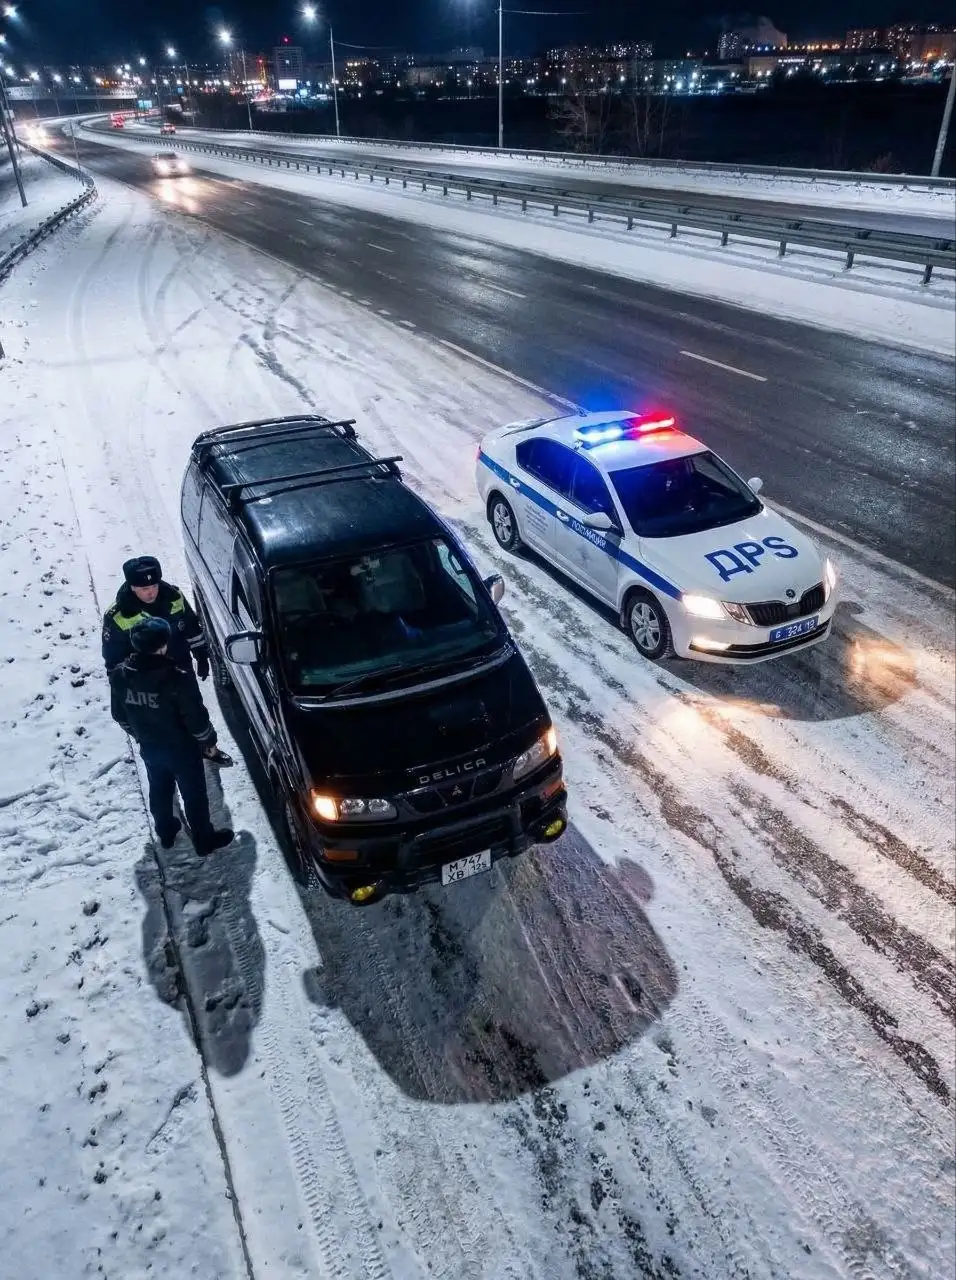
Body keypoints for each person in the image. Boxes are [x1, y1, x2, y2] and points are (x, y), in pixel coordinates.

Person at [109, 617, 233, 856]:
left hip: (149, 747)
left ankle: (166, 831)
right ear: (163, 645)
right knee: (193, 794)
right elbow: (195, 718)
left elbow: (119, 715)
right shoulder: (177, 677)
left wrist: (140, 734)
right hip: (181, 748)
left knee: (159, 789)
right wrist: (208, 741)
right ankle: (204, 839)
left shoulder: (119, 676)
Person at [102, 555, 231, 765]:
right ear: (132, 587)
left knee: (193, 707)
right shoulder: (118, 616)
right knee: (159, 716)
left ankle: (208, 747)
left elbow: (191, 626)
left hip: (180, 667)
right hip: (146, 678)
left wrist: (201, 654)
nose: (151, 592)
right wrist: (122, 684)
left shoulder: (173, 597)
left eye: (154, 585)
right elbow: (113, 658)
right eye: (144, 588)